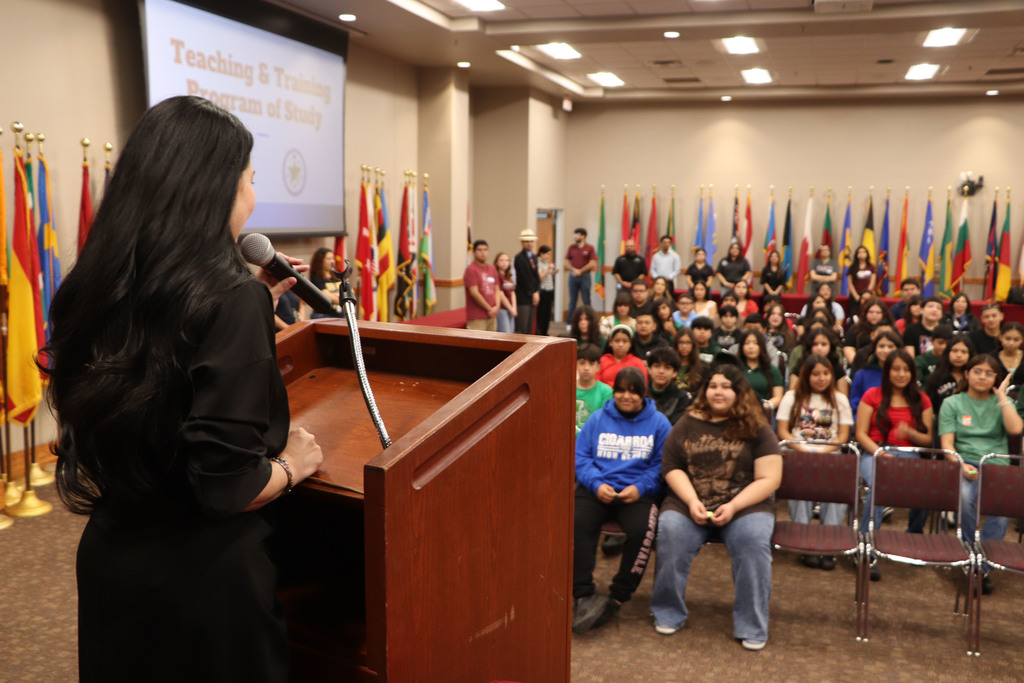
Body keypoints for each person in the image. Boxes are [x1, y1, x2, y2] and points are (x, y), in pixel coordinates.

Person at [42, 96, 325, 682]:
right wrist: (294, 464)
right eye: (250, 179)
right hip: (205, 588)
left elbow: (158, 372)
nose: (252, 195)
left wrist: (250, 306)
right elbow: (227, 486)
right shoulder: (229, 298)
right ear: (215, 188)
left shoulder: (97, 284)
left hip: (113, 564)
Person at [650, 364, 782, 650]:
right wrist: (691, 500)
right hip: (691, 501)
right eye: (712, 386)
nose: (718, 391)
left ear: (738, 392)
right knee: (670, 530)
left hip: (746, 504)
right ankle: (668, 611)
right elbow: (671, 467)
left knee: (752, 541)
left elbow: (770, 477)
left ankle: (752, 625)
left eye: (725, 386)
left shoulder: (756, 425)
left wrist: (733, 506)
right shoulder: (688, 421)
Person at [572, 367, 671, 634]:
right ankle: (581, 592)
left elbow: (663, 465)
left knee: (643, 531)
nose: (626, 396)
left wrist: (640, 487)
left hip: (638, 494)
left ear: (643, 393)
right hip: (597, 488)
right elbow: (581, 458)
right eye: (620, 390)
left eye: (633, 391)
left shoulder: (660, 423)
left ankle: (618, 596)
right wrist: (596, 483)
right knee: (575, 521)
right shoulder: (597, 419)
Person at [939, 355, 1023, 595]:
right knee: (966, 498)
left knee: (1003, 508)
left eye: (989, 373)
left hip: (997, 465)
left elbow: (1016, 429)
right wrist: (961, 464)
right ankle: (972, 557)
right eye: (977, 371)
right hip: (965, 461)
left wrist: (1002, 398)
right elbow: (947, 445)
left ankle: (979, 565)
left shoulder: (1002, 402)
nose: (982, 376)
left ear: (996, 378)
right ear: (967, 374)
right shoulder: (953, 402)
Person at [856, 350, 934, 578]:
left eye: (906, 369)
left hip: (909, 453)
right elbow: (860, 434)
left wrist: (909, 431)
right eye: (896, 369)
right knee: (878, 486)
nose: (901, 374)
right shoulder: (872, 395)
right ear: (887, 371)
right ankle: (866, 547)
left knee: (927, 485)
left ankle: (913, 536)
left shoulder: (922, 399)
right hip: (875, 451)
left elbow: (927, 440)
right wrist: (880, 453)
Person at [776, 353, 854, 570]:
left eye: (826, 374)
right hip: (798, 450)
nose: (821, 378)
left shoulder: (840, 399)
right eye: (816, 374)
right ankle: (803, 541)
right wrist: (803, 449)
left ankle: (829, 543)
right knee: (799, 475)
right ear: (806, 376)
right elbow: (783, 431)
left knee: (838, 479)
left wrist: (823, 451)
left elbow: (842, 437)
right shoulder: (792, 397)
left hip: (830, 452)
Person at [924, 334, 975, 440]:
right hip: (942, 425)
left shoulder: (975, 378)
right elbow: (929, 406)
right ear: (948, 353)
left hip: (971, 425)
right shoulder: (935, 378)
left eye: (963, 352)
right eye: (955, 351)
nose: (959, 355)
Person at [848, 330, 902, 415]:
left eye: (890, 346)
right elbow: (855, 405)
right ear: (875, 350)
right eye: (881, 346)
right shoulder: (862, 375)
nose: (885, 350)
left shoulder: (903, 375)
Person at [788, 324, 848, 396]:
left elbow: (843, 395)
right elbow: (792, 393)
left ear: (830, 346)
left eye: (824, 344)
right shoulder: (800, 365)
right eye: (815, 344)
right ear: (809, 346)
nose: (819, 348)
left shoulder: (837, 366)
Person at [734, 330, 784, 409]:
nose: (751, 347)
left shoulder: (771, 369)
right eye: (747, 343)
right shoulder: (734, 368)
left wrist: (765, 407)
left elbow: (778, 397)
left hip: (763, 410)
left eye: (755, 343)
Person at [465, 240, 507, 332]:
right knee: (477, 344)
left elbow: (497, 290)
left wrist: (497, 307)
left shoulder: (491, 268)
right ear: (474, 252)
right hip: (477, 316)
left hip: (492, 315)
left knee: (491, 344)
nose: (483, 252)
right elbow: (474, 293)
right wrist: (490, 309)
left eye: (485, 250)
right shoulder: (471, 269)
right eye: (480, 250)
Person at [647, 347, 691, 425]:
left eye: (667, 368)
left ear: (675, 373)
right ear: (649, 369)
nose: (661, 371)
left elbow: (677, 427)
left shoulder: (682, 398)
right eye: (657, 366)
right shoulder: (640, 394)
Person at [843, 300, 895, 365]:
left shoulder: (890, 329)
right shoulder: (855, 329)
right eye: (871, 312)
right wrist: (856, 363)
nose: (874, 315)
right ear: (866, 313)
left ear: (884, 314)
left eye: (878, 313)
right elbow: (848, 348)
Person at [576, 343, 614, 429]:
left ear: (598, 367)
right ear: (576, 364)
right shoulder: (567, 388)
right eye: (582, 363)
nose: (586, 368)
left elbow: (604, 421)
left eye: (591, 364)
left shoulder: (606, 391)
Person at [565, 227, 598, 319]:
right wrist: (574, 270)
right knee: (572, 301)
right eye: (574, 235)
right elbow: (566, 261)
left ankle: (589, 320)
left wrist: (581, 271)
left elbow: (592, 263)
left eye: (577, 235)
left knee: (586, 299)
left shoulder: (589, 248)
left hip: (585, 276)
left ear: (583, 236)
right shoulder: (572, 247)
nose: (575, 237)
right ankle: (569, 322)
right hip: (573, 276)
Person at [514, 228, 540, 334]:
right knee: (523, 327)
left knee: (530, 327)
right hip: (523, 297)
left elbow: (536, 276)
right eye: (527, 242)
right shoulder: (519, 258)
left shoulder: (534, 257)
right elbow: (523, 278)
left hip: (533, 296)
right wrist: (532, 293)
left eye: (531, 241)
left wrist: (537, 291)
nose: (529, 244)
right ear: (522, 243)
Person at [308, 247, 342, 319]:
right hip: (324, 316)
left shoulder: (337, 275)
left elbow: (349, 291)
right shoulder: (317, 277)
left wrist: (336, 295)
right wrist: (342, 299)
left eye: (332, 258)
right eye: (328, 259)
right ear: (321, 261)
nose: (332, 261)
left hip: (341, 314)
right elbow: (326, 295)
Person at [673, 327, 709, 393]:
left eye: (688, 343)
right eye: (681, 342)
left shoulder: (703, 368)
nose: (684, 346)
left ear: (693, 345)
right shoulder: (670, 366)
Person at [847, 246, 876, 316]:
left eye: (864, 252)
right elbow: (850, 283)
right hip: (855, 295)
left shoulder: (872, 267)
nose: (862, 254)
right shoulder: (852, 267)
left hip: (867, 295)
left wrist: (867, 294)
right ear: (856, 255)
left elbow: (872, 281)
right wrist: (856, 295)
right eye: (859, 252)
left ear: (867, 254)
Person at [494, 251, 518, 333]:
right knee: (506, 334)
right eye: (501, 260)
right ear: (497, 263)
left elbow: (512, 292)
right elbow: (500, 294)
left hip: (510, 309)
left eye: (507, 260)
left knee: (511, 334)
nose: (504, 263)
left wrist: (514, 308)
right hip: (502, 309)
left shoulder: (508, 276)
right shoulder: (496, 276)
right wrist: (510, 309)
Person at [536, 245, 557, 335]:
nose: (548, 256)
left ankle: (545, 330)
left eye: (549, 254)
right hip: (543, 290)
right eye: (547, 254)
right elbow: (540, 277)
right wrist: (548, 269)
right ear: (541, 253)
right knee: (542, 312)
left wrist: (553, 272)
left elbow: (548, 276)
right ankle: (540, 331)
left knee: (548, 312)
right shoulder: (538, 262)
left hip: (550, 289)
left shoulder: (546, 262)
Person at [996, 322, 1024, 386]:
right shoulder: (992, 357)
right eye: (1008, 339)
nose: (1011, 343)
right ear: (1000, 337)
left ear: (1022, 340)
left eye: (1016, 340)